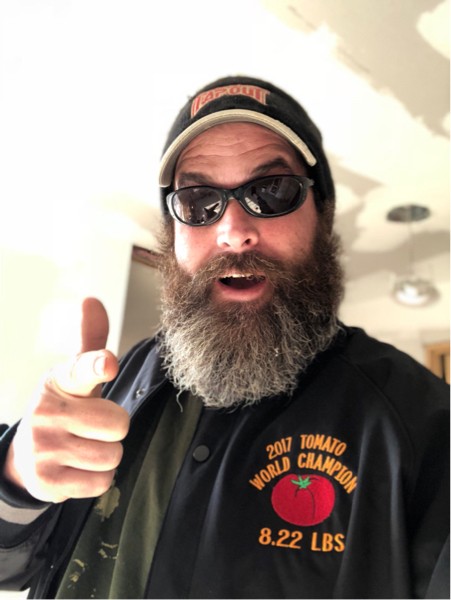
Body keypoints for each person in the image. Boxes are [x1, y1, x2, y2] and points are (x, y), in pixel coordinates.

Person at [0, 75, 449, 599]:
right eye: (198, 200)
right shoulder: (121, 380)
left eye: (272, 191)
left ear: (321, 215)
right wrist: (16, 476)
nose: (234, 232)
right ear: (174, 234)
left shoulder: (417, 423)